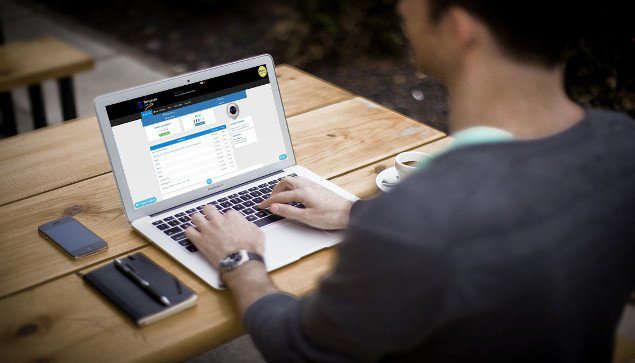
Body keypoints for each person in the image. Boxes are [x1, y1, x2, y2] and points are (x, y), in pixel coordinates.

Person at [185, 0, 635, 361]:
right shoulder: (622, 144)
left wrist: (240, 261)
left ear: (460, 27)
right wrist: (355, 212)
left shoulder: (418, 220)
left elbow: (298, 346)